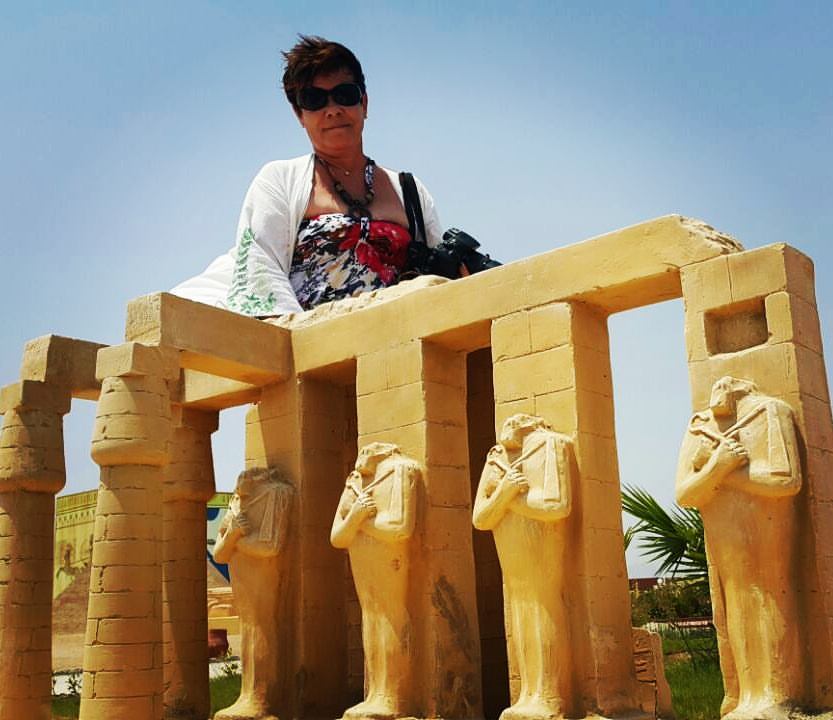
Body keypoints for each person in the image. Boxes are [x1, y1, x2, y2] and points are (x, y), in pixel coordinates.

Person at [171, 36, 442, 317]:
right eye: (314, 100)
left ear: (364, 102)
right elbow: (261, 269)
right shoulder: (279, 181)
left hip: (401, 337)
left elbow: (442, 281)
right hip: (313, 340)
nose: (332, 110)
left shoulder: (409, 191)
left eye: (344, 95)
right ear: (299, 114)